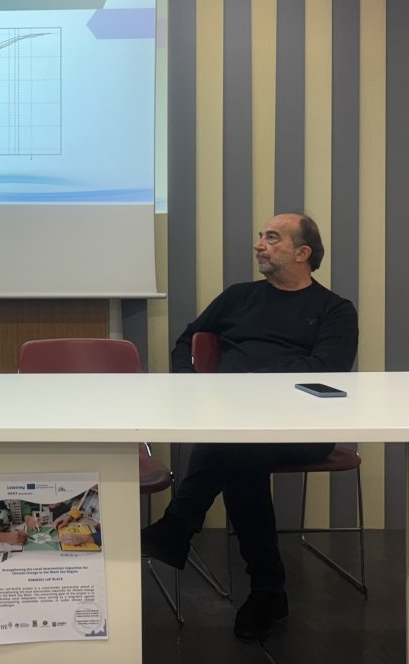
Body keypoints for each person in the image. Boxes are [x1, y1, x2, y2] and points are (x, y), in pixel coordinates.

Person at [142, 213, 358, 641]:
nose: (260, 244)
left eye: (272, 238)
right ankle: (266, 589)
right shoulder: (238, 297)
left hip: (302, 428)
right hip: (235, 423)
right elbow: (188, 340)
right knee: (243, 450)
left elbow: (326, 370)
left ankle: (179, 525)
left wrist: (244, 386)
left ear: (303, 252)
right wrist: (189, 384)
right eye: (261, 236)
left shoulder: (334, 310)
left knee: (238, 445)